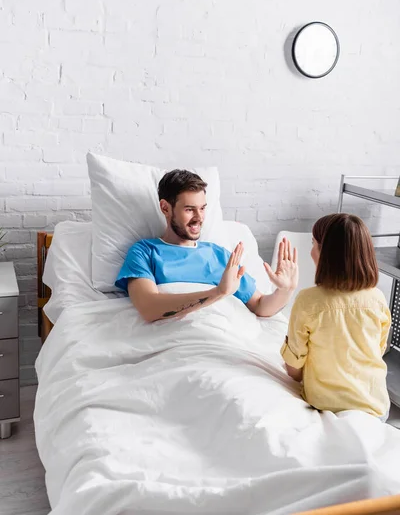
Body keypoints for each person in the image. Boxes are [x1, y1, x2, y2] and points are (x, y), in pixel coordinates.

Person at [115, 169, 298, 323]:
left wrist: (285, 291)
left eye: (202, 208)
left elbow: (260, 306)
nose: (199, 217)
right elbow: (149, 308)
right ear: (165, 208)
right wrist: (218, 293)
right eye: (189, 209)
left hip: (224, 337)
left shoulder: (219, 255)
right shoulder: (144, 252)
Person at [280, 213, 391, 421]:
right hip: (376, 408)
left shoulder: (308, 301)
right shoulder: (378, 299)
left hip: (325, 406)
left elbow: (293, 372)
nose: (311, 251)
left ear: (326, 253)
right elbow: (378, 350)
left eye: (314, 244)